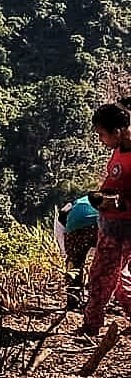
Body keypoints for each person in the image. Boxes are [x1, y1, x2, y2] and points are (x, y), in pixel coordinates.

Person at [83, 101, 131, 335]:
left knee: (111, 275)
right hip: (110, 224)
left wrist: (121, 202)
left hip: (125, 226)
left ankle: (92, 326)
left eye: (102, 134)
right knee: (109, 276)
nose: (101, 140)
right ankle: (92, 324)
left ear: (119, 131)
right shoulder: (119, 149)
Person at [56, 196, 99, 310]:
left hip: (75, 227)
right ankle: (98, 302)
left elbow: (60, 231)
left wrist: (67, 255)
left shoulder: (69, 208)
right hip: (98, 224)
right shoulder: (92, 199)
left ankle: (73, 301)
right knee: (104, 264)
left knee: (74, 265)